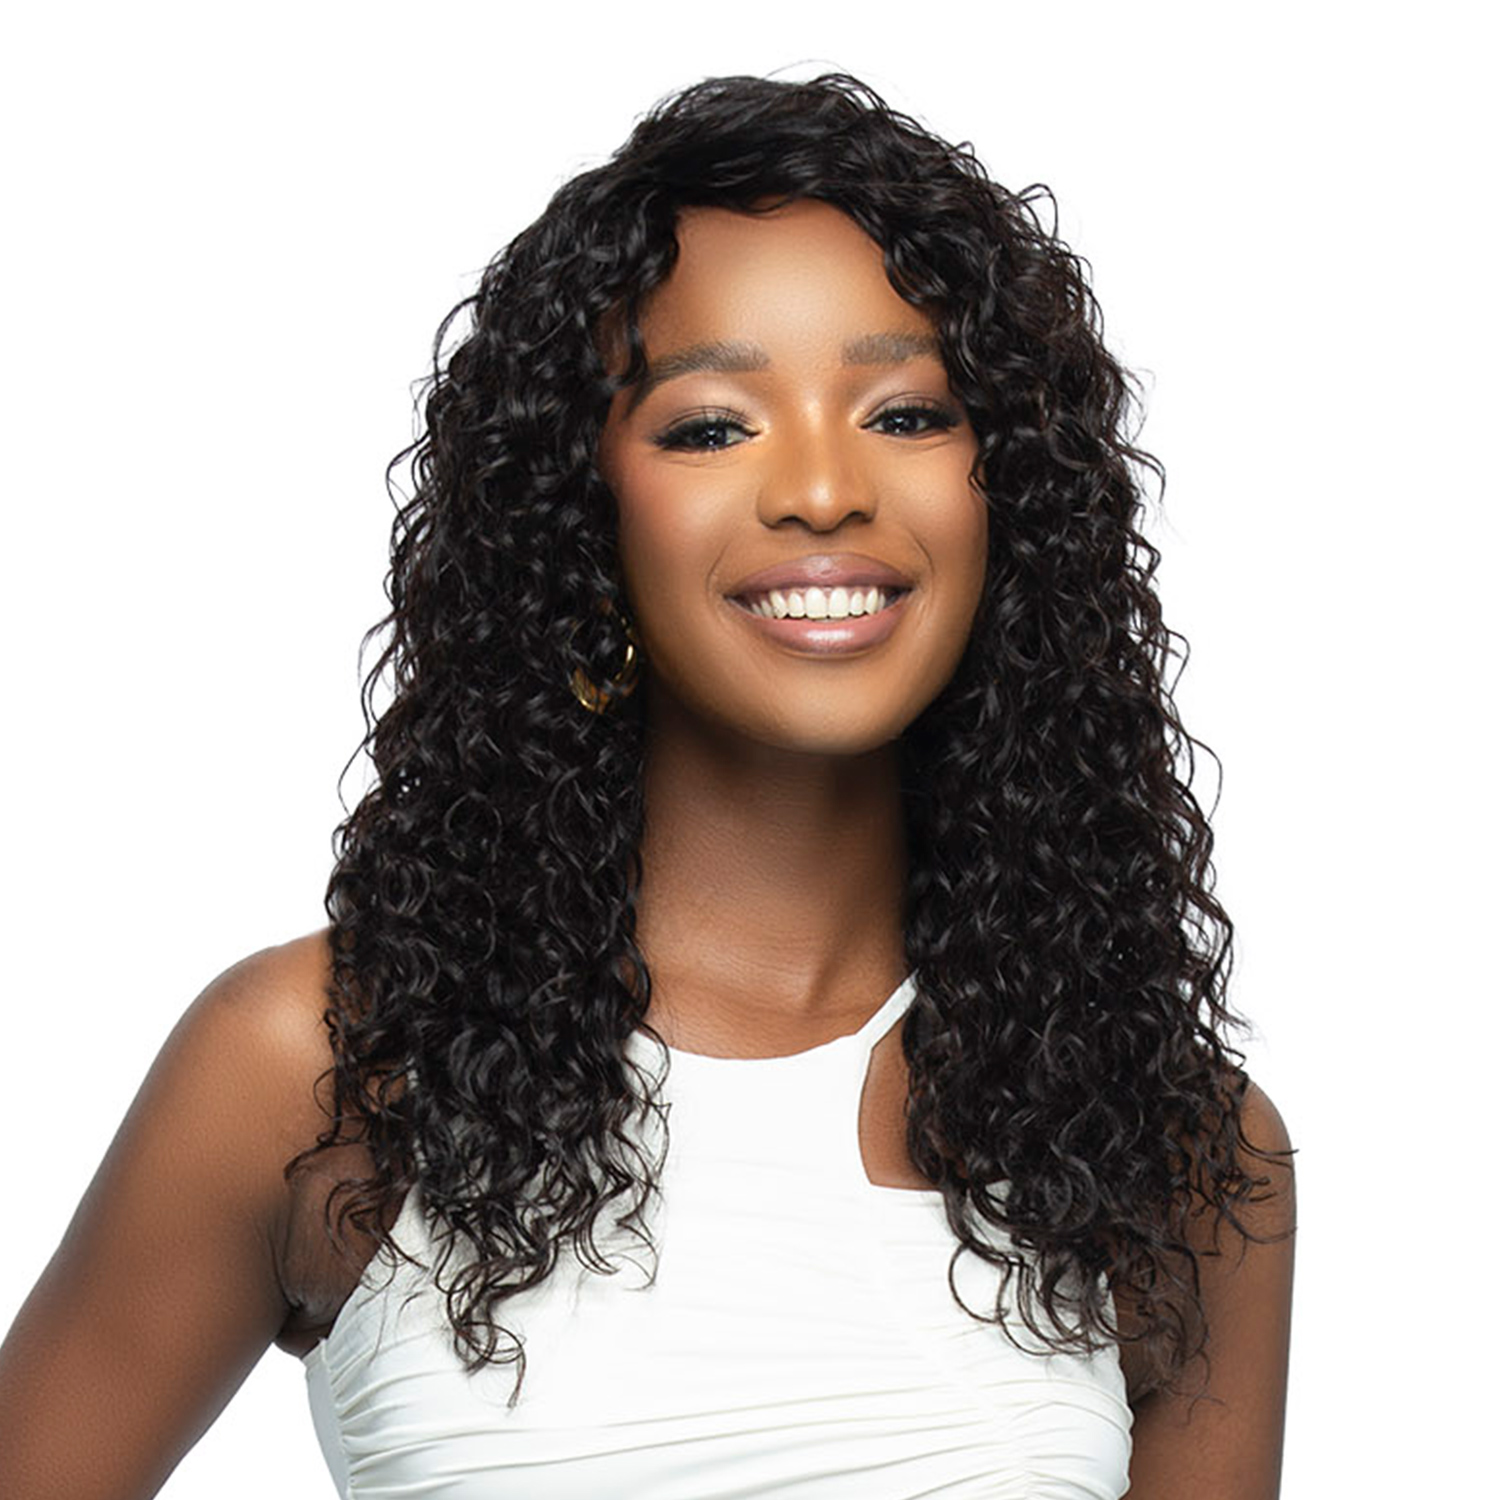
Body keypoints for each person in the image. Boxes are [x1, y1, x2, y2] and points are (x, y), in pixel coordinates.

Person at [0, 72, 1295, 1499]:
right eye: (712, 426)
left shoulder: (1174, 1143)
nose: (823, 489)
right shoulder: (316, 1068)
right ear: (582, 511)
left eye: (910, 413)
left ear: (1014, 498)